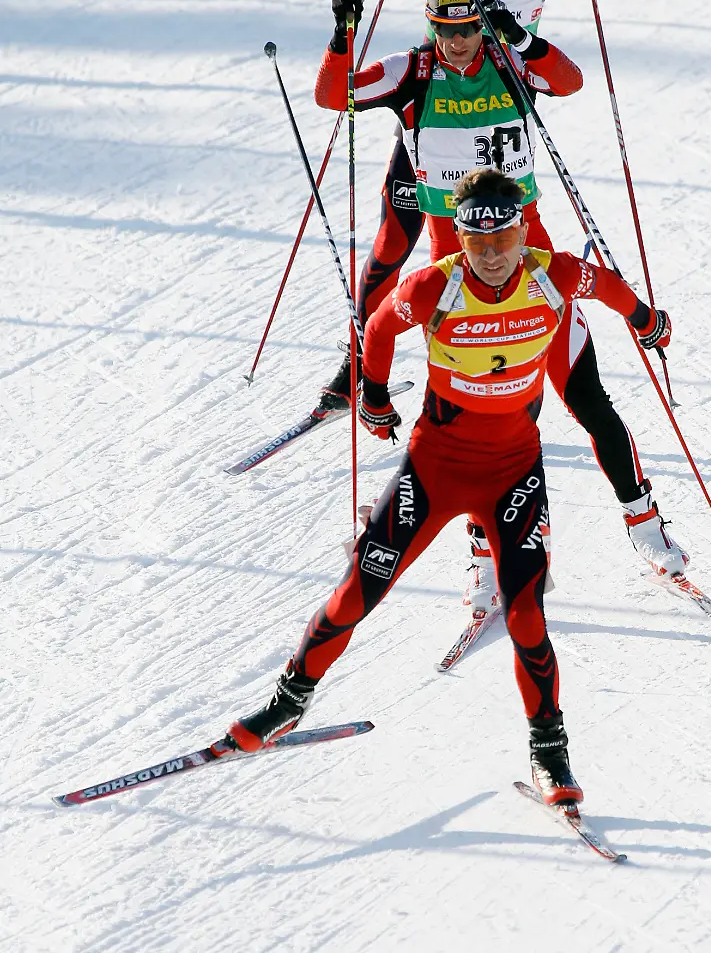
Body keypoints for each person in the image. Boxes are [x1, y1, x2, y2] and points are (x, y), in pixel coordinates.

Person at [225, 169, 672, 806]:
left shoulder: (557, 273)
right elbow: (378, 328)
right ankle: (286, 705)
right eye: (476, 242)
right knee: (355, 594)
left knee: (525, 616)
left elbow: (611, 289)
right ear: (459, 238)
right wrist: (374, 401)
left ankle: (551, 757)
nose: (491, 256)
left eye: (504, 238)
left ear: (523, 229)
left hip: (513, 471)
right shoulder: (438, 285)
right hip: (433, 467)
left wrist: (648, 319)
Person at [315, 0, 690, 612]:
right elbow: (333, 95)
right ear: (431, 24)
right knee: (487, 424)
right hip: (457, 281)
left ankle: (645, 524)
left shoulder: (510, 62)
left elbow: (569, 81)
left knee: (589, 400)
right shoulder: (414, 74)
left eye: (468, 29)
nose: (459, 42)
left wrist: (524, 39)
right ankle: (486, 558)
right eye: (447, 30)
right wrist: (344, 33)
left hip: (535, 270)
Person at [333, 0, 638, 419]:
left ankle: (520, 375)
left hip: (510, 76)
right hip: (435, 83)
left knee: (503, 231)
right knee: (397, 236)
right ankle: (356, 362)